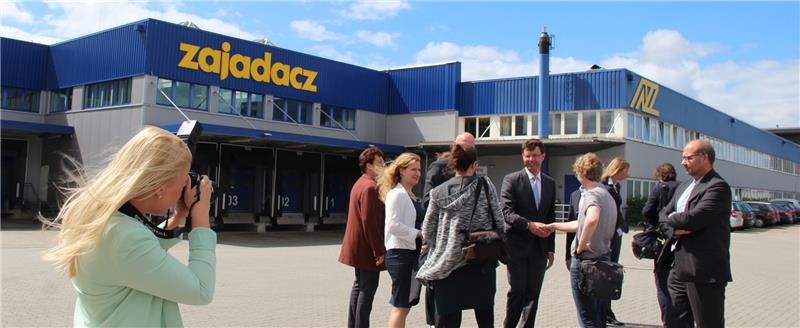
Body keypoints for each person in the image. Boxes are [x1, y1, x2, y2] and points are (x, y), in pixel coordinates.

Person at [42, 126, 215, 327]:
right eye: (183, 180)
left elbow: (141, 255)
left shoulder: (105, 220)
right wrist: (201, 217)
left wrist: (179, 217)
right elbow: (201, 291)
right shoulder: (125, 238)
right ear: (160, 188)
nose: (185, 189)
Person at [416, 144, 505, 328]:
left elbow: (428, 230)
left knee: (447, 319)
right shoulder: (485, 185)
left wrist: (431, 243)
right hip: (481, 262)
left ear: (453, 165)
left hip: (447, 267)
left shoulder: (437, 193)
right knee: (485, 318)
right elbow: (500, 221)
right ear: (475, 164)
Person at [659, 140, 732, 328]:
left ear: (705, 157)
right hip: (678, 268)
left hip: (704, 271)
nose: (683, 162)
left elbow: (694, 220)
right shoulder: (683, 186)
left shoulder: (717, 187)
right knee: (674, 321)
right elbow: (662, 215)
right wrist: (674, 225)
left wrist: (674, 221)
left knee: (708, 323)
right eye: (682, 157)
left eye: (688, 158)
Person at [546, 152, 618, 328]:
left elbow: (592, 219)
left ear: (580, 172)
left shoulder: (591, 195)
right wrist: (554, 225)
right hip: (604, 259)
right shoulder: (607, 195)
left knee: (587, 317)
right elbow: (581, 223)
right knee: (598, 315)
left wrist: (582, 242)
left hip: (586, 262)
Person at [500, 138, 556, 328]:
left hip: (539, 248)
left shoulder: (549, 183)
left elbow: (550, 216)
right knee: (517, 291)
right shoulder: (512, 180)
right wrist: (529, 225)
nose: (530, 159)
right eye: (527, 156)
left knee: (534, 292)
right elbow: (506, 213)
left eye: (534, 156)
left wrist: (550, 249)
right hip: (516, 247)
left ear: (543, 157)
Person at [421, 132, 475, 326]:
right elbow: (427, 201)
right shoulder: (439, 167)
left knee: (456, 302)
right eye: (462, 146)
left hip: (463, 248)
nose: (466, 150)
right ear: (454, 146)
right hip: (442, 243)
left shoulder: (472, 169)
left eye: (470, 147)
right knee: (441, 302)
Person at [339, 146, 386, 328]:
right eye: (379, 162)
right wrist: (378, 251)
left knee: (359, 287)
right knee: (367, 289)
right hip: (366, 249)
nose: (383, 165)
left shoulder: (360, 183)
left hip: (358, 247)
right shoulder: (370, 187)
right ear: (368, 166)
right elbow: (370, 223)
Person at [379, 153, 424, 328]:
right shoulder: (396, 194)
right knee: (400, 305)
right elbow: (393, 225)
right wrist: (418, 233)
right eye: (413, 169)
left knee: (404, 305)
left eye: (419, 170)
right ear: (401, 171)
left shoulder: (411, 195)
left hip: (410, 254)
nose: (418, 173)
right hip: (400, 255)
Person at [641, 163, 680, 327]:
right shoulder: (682, 187)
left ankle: (667, 320)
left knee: (662, 282)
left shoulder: (659, 188)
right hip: (680, 237)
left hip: (663, 238)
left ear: (660, 175)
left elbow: (647, 210)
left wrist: (653, 225)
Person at [599, 157, 630, 326]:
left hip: (616, 234)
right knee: (607, 272)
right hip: (607, 235)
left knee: (612, 273)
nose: (627, 174)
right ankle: (604, 312)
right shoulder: (604, 186)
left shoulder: (616, 186)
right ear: (618, 170)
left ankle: (607, 312)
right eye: (626, 170)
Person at [565, 188, 581, 270]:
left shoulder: (601, 193)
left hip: (595, 255)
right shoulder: (575, 195)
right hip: (575, 254)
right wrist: (568, 256)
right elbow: (570, 226)